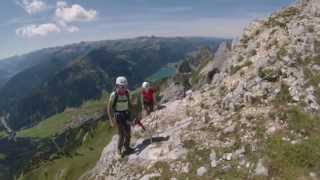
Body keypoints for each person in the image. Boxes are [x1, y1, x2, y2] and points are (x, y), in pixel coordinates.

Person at [107, 76, 134, 157]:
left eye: (125, 86)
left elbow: (129, 104)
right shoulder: (113, 95)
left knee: (128, 133)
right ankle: (119, 150)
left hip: (126, 114)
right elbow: (109, 108)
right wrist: (111, 120)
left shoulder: (128, 93)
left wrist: (134, 114)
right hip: (118, 116)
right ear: (117, 86)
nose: (124, 88)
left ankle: (127, 146)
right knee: (122, 134)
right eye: (122, 86)